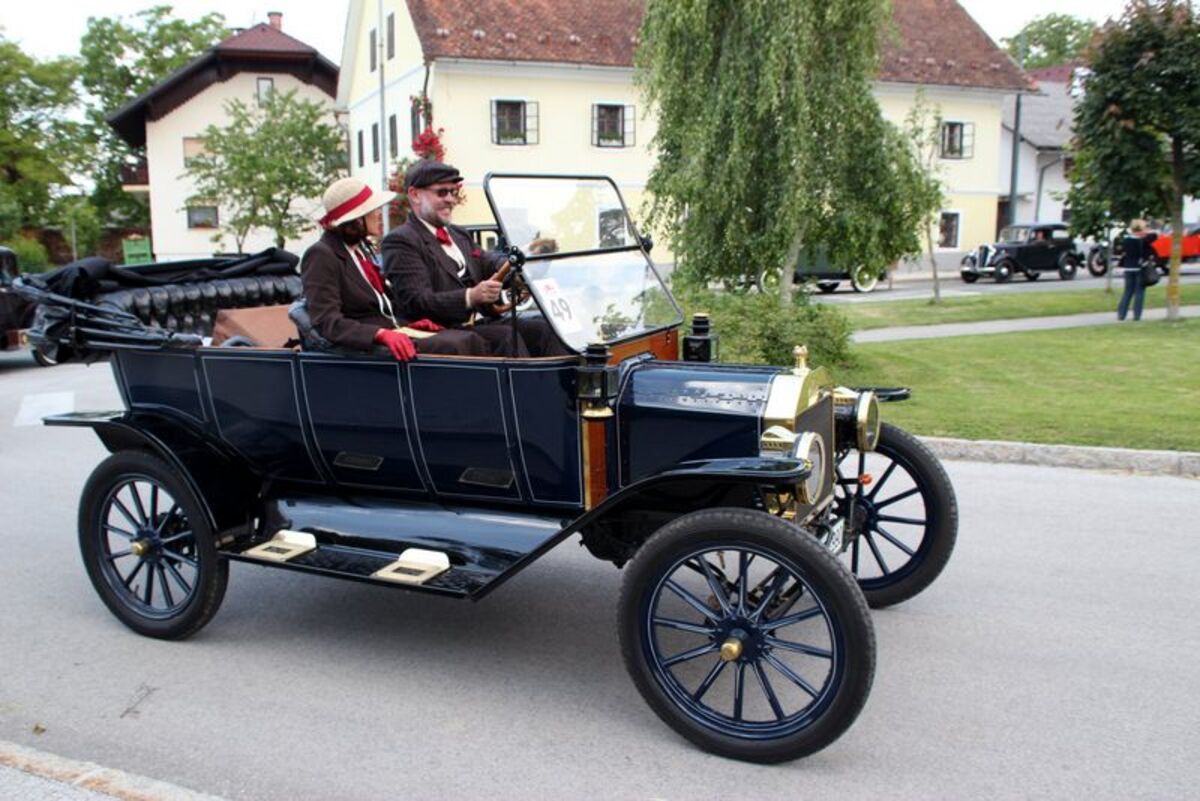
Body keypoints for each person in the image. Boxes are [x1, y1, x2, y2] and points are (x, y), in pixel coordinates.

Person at [381, 161, 570, 357]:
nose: (451, 200)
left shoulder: (459, 234)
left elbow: (488, 262)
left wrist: (521, 270)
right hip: (444, 330)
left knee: (546, 329)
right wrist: (470, 296)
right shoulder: (401, 241)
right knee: (507, 337)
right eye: (442, 193)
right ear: (415, 195)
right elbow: (417, 301)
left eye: (453, 192)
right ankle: (528, 379)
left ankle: (567, 377)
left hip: (482, 322)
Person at [300, 177, 490, 359]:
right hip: (365, 348)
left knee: (470, 338)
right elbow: (327, 321)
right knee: (458, 343)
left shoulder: (360, 250)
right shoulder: (321, 255)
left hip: (394, 330)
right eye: (372, 210)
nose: (378, 214)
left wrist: (410, 324)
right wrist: (380, 334)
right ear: (356, 219)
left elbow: (385, 306)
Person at [1117, 219, 1151, 322]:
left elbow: (1124, 252)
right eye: (1144, 228)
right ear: (1140, 229)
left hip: (1128, 268)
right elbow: (1145, 253)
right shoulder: (1141, 241)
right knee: (1139, 292)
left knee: (1128, 291)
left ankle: (1121, 314)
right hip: (1139, 268)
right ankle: (1137, 315)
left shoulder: (1126, 240)